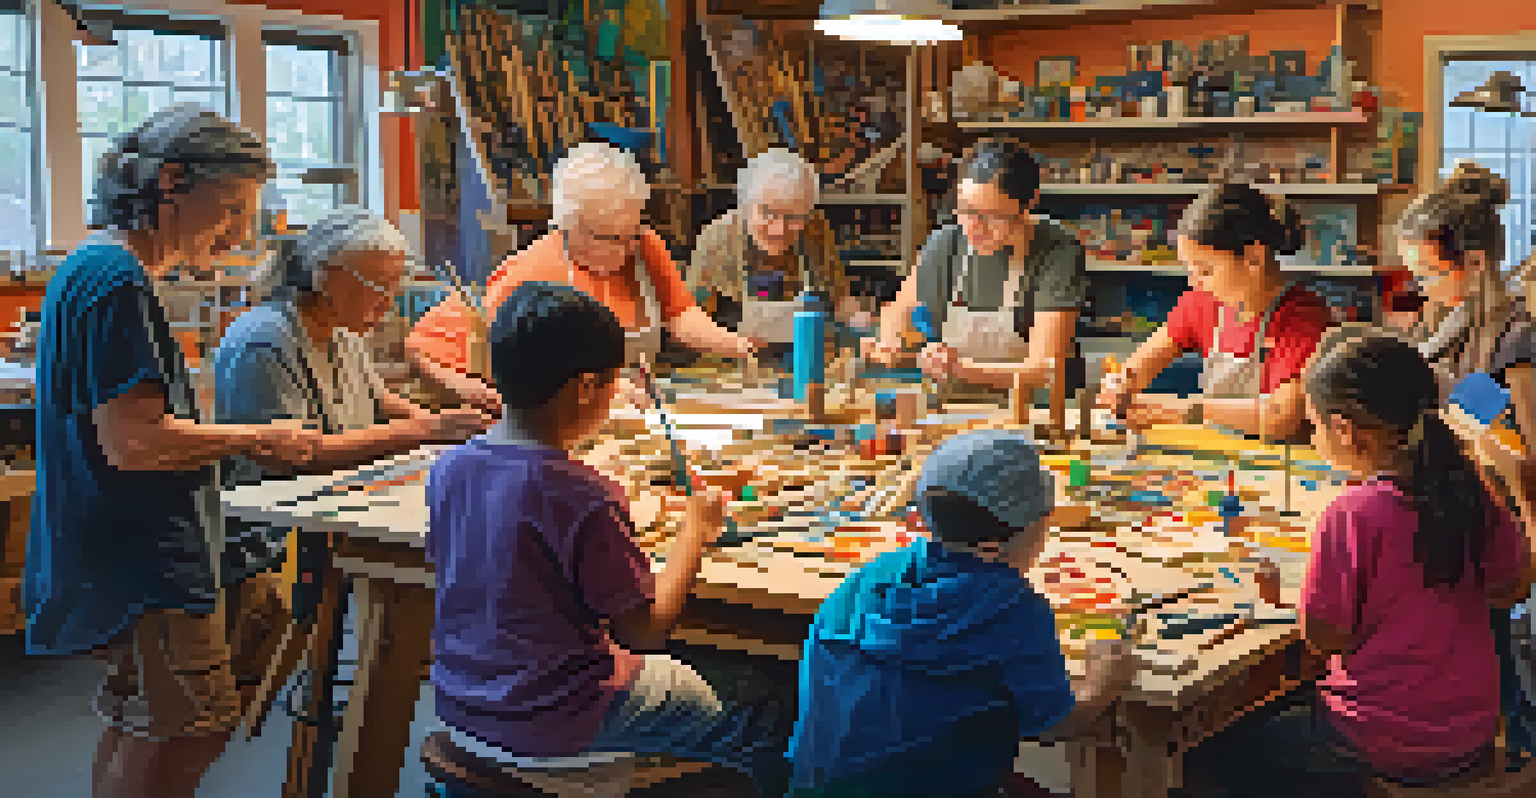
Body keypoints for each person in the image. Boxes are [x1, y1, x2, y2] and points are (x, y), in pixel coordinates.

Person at [25, 104, 323, 798]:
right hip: (140, 559)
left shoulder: (89, 267)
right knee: (190, 724)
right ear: (170, 182)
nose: (235, 231)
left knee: (143, 719)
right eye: (227, 209)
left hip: (114, 548)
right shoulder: (117, 281)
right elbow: (134, 443)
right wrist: (259, 436)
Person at [426, 281, 791, 798]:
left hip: (465, 704)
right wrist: (694, 532)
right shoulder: (581, 495)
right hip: (559, 719)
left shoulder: (451, 466)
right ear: (584, 389)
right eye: (613, 383)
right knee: (771, 707)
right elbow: (643, 632)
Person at [1181, 329, 1534, 798]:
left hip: (1380, 745)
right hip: (1468, 734)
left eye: (1313, 424)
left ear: (1344, 430)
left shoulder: (1352, 514)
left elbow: (1325, 638)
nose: (1313, 435)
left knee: (1206, 751)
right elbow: (1512, 588)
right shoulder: (1470, 493)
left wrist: (1301, 590)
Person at [788, 429, 1136, 797]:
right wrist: (1103, 682)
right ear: (1032, 529)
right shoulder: (1012, 608)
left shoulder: (870, 577)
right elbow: (1055, 725)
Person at [212, 208, 493, 580]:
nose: (390, 301)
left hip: (329, 515)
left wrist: (469, 429)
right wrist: (435, 428)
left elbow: (381, 403)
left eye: (396, 286)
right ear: (326, 277)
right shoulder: (265, 340)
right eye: (380, 285)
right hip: (277, 541)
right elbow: (303, 454)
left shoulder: (343, 332)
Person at [406, 142, 759, 414]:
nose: (627, 248)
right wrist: (466, 388)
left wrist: (734, 344)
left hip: (634, 416)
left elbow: (680, 315)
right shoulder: (534, 274)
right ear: (568, 227)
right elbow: (434, 349)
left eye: (632, 232)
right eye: (611, 238)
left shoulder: (642, 244)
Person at [1395, 161, 1536, 765]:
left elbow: (1530, 463)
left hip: (1504, 534)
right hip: (1460, 520)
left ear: (1476, 262)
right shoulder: (1450, 322)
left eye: (1430, 273)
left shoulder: (1518, 339)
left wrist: (1484, 447)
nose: (1421, 288)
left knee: (1504, 677)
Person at [1095, 182, 1332, 441]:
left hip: (1285, 467)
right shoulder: (1203, 302)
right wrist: (1120, 385)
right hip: (1222, 457)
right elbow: (1138, 366)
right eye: (1190, 270)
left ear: (1254, 258)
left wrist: (1185, 409)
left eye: (1206, 270)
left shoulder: (1306, 318)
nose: (1194, 282)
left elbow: (1280, 417)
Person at [863, 140, 1089, 395]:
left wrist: (959, 369)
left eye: (992, 216)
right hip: (958, 408)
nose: (974, 227)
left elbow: (1044, 369)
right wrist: (890, 340)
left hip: (1034, 410)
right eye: (966, 211)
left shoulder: (1057, 249)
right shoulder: (945, 243)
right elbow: (899, 309)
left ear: (1028, 205)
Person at [687, 148, 858, 357]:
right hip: (735, 365)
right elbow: (692, 318)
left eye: (794, 218)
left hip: (803, 359)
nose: (779, 229)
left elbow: (840, 297)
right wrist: (730, 344)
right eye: (767, 214)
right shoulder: (718, 240)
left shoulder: (816, 231)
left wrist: (862, 324)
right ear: (746, 205)